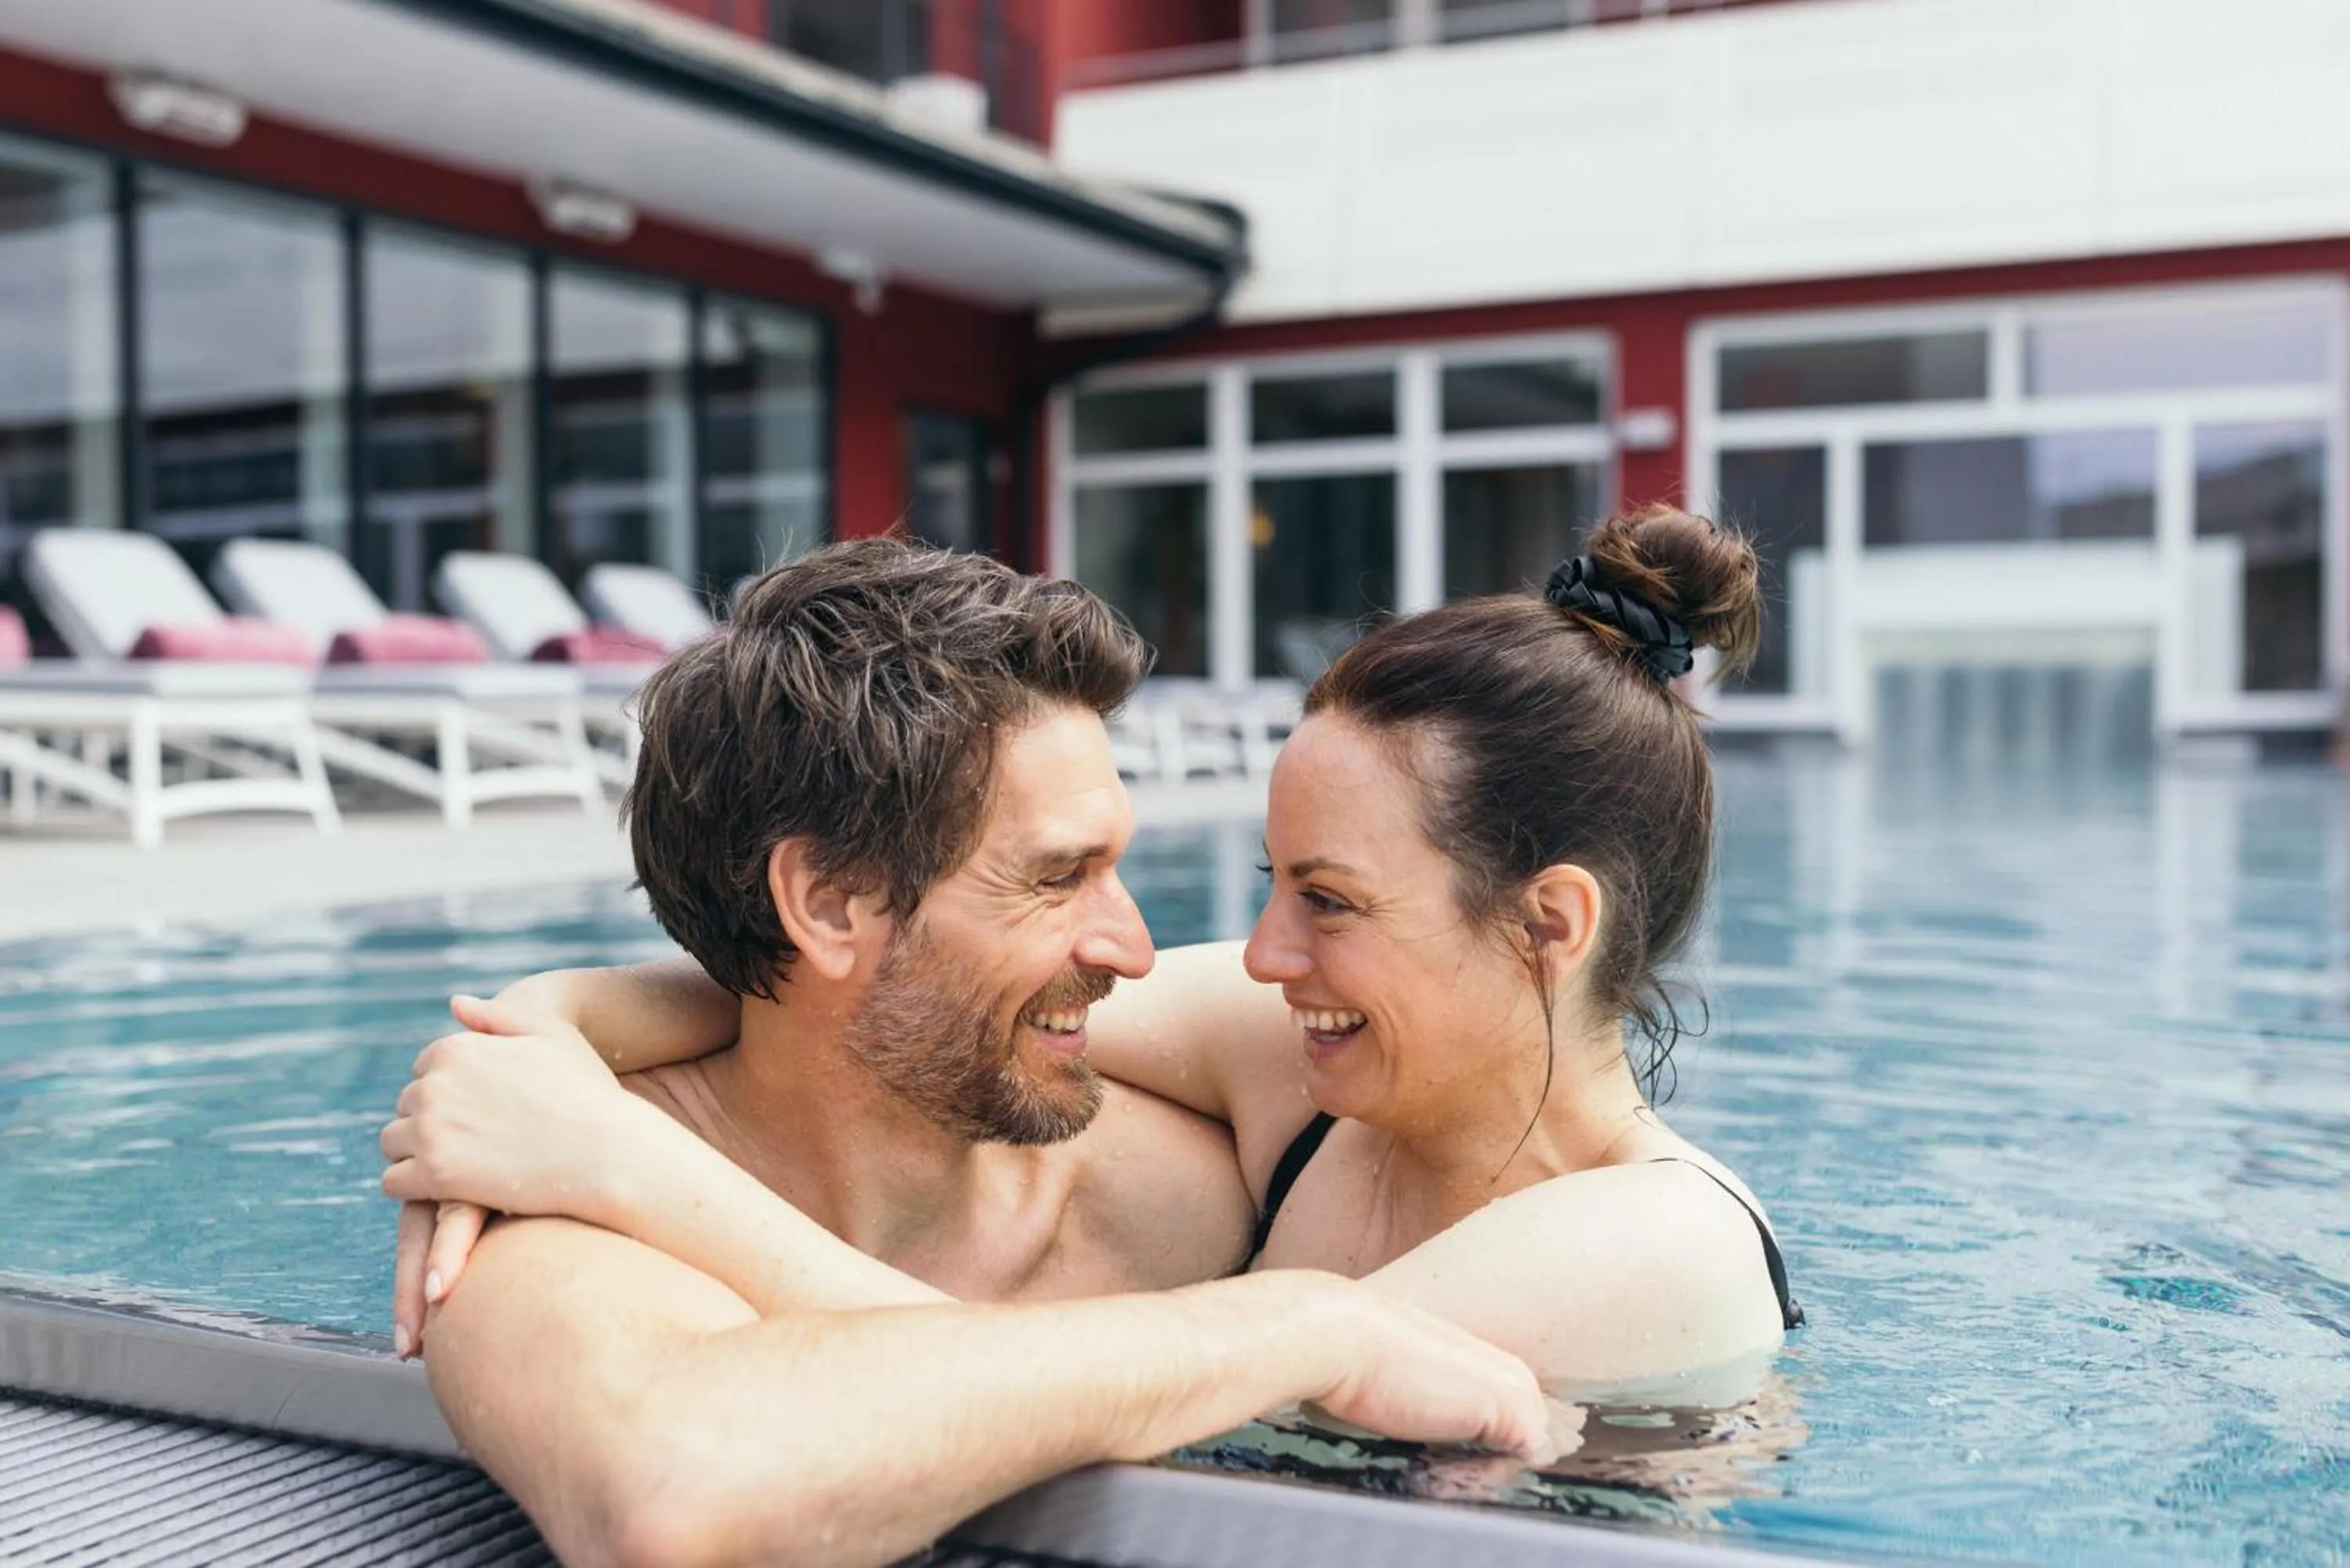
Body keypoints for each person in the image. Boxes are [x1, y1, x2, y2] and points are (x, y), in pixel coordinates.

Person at [392, 541, 1556, 1568]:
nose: (1134, 947)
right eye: (1057, 877)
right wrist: (1298, 1328)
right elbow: (681, 1504)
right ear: (832, 899)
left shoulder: (1195, 1181)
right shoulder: (541, 1208)